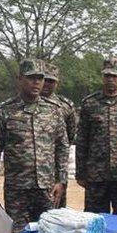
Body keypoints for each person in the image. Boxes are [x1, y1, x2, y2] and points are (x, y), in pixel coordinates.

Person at [0, 59, 68, 233]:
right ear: (20, 79)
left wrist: (61, 181)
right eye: (31, 78)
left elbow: (62, 146)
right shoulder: (4, 111)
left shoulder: (54, 110)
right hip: (17, 189)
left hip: (47, 188)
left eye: (40, 78)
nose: (37, 82)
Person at [75, 57, 117, 218]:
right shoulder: (89, 103)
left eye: (115, 75)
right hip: (96, 175)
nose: (111, 79)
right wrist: (81, 173)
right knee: (94, 220)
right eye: (107, 76)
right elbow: (82, 140)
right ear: (102, 77)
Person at [41, 62, 77, 208]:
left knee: (56, 212)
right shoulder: (25, 102)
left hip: (56, 169)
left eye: (52, 81)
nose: (48, 84)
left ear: (57, 83)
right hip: (29, 172)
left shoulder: (66, 106)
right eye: (45, 79)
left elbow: (69, 135)